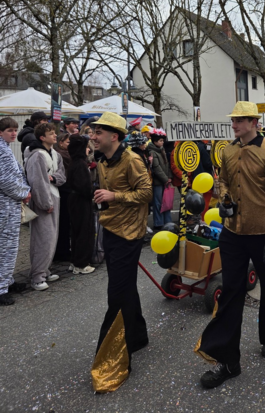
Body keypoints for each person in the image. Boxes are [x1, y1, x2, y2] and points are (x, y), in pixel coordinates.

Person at [195, 102, 265, 389]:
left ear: (253, 122)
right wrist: (224, 198)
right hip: (232, 233)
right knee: (231, 292)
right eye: (233, 120)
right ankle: (227, 361)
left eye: (239, 120)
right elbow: (223, 180)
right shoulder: (228, 150)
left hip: (263, 233)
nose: (234, 124)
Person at [90, 112, 153, 393]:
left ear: (113, 136)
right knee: (125, 288)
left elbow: (146, 193)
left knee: (116, 294)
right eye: (93, 132)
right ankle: (137, 337)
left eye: (98, 133)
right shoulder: (103, 160)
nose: (93, 137)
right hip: (111, 230)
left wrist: (114, 196)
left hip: (129, 235)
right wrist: (102, 199)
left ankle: (111, 361)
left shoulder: (132, 160)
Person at [24, 123, 66, 290]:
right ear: (42, 137)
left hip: (55, 195)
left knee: (52, 237)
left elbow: (62, 175)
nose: (55, 136)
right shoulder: (37, 155)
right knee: (43, 237)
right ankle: (37, 276)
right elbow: (37, 182)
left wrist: (53, 178)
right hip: (44, 199)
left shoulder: (55, 154)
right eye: (51, 134)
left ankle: (44, 269)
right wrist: (45, 203)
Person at [0, 117, 31, 306]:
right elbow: (7, 181)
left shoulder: (5, 148)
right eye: (9, 130)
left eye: (14, 130)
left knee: (8, 246)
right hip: (5, 207)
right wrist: (24, 193)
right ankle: (1, 288)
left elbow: (16, 173)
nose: (13, 133)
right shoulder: (2, 151)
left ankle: (7, 280)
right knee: (6, 247)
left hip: (8, 205)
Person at [67, 134, 95, 275]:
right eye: (86, 148)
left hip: (74, 200)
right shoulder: (80, 164)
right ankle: (81, 263)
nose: (88, 150)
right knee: (84, 230)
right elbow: (84, 187)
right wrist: (93, 192)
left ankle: (75, 260)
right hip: (81, 201)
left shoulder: (75, 162)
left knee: (76, 231)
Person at [147, 128, 171, 231]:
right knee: (158, 203)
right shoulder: (152, 152)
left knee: (166, 202)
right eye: (160, 141)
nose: (162, 142)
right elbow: (156, 168)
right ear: (155, 141)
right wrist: (166, 179)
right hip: (157, 182)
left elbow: (166, 164)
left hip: (165, 180)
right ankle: (158, 223)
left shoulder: (161, 150)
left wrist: (169, 177)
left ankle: (167, 221)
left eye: (162, 140)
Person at [53, 132, 72, 261]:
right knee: (63, 223)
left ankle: (62, 249)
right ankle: (62, 251)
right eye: (68, 142)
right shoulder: (63, 156)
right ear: (61, 143)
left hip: (64, 190)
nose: (70, 145)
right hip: (63, 191)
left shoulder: (62, 154)